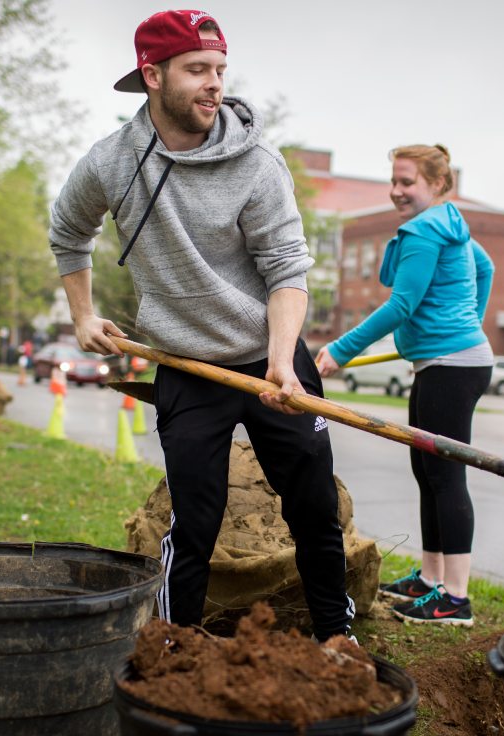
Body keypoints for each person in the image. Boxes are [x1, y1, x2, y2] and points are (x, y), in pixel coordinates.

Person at [49, 10, 354, 642]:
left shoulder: (259, 164)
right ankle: (175, 641)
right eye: (197, 70)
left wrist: (278, 363)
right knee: (195, 518)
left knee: (315, 509)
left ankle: (335, 634)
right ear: (152, 75)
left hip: (270, 357)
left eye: (220, 69)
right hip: (187, 365)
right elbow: (68, 231)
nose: (214, 83)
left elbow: (288, 270)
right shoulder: (111, 163)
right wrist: (81, 314)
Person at [317, 144, 494, 627]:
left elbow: (401, 306)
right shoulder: (450, 223)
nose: (396, 191)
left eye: (407, 182)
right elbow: (486, 269)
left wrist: (339, 350)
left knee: (446, 476)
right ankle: (432, 580)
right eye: (393, 181)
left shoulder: (423, 231)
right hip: (445, 361)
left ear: (437, 185)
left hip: (451, 364)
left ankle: (455, 597)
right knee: (427, 472)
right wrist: (465, 326)